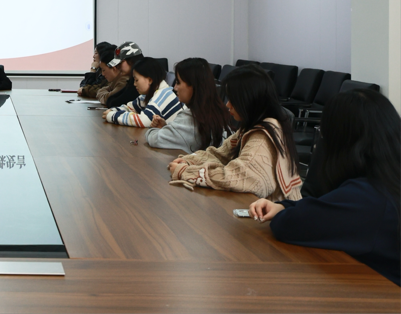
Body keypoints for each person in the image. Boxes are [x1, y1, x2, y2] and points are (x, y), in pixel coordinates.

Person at [249, 89, 401, 286]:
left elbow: (289, 226)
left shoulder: (366, 197)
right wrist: (284, 206)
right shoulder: (386, 183)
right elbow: (324, 209)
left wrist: (285, 212)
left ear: (340, 141)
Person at [168, 64, 302, 201]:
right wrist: (190, 161)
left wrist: (185, 172)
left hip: (274, 211)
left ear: (248, 100)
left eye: (233, 99)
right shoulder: (250, 127)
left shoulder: (262, 137)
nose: (228, 105)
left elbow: (236, 177)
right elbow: (220, 154)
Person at [146, 57, 233, 153]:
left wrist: (153, 129)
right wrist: (166, 128)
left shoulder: (190, 118)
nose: (175, 88)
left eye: (178, 82)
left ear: (193, 85)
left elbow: (154, 139)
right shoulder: (218, 111)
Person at [103, 56, 183, 128]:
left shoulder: (163, 94)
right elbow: (129, 108)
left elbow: (144, 120)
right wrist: (112, 111)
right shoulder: (147, 95)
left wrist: (112, 115)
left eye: (136, 80)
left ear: (150, 80)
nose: (134, 84)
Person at [102, 41, 145, 108]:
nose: (118, 67)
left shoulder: (141, 79)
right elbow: (111, 100)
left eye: (120, 63)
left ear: (131, 60)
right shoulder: (132, 79)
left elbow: (116, 102)